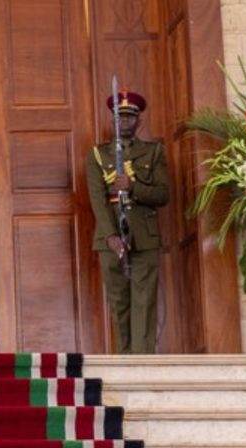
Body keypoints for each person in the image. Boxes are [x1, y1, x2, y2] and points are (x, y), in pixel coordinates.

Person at [85, 89, 170, 354]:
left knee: (144, 302)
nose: (124, 122)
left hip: (144, 237)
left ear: (139, 121)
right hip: (109, 240)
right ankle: (123, 363)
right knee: (119, 301)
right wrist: (110, 236)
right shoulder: (98, 155)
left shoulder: (153, 152)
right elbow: (97, 198)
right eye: (119, 117)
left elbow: (163, 194)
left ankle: (143, 365)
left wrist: (134, 187)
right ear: (113, 120)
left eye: (130, 117)